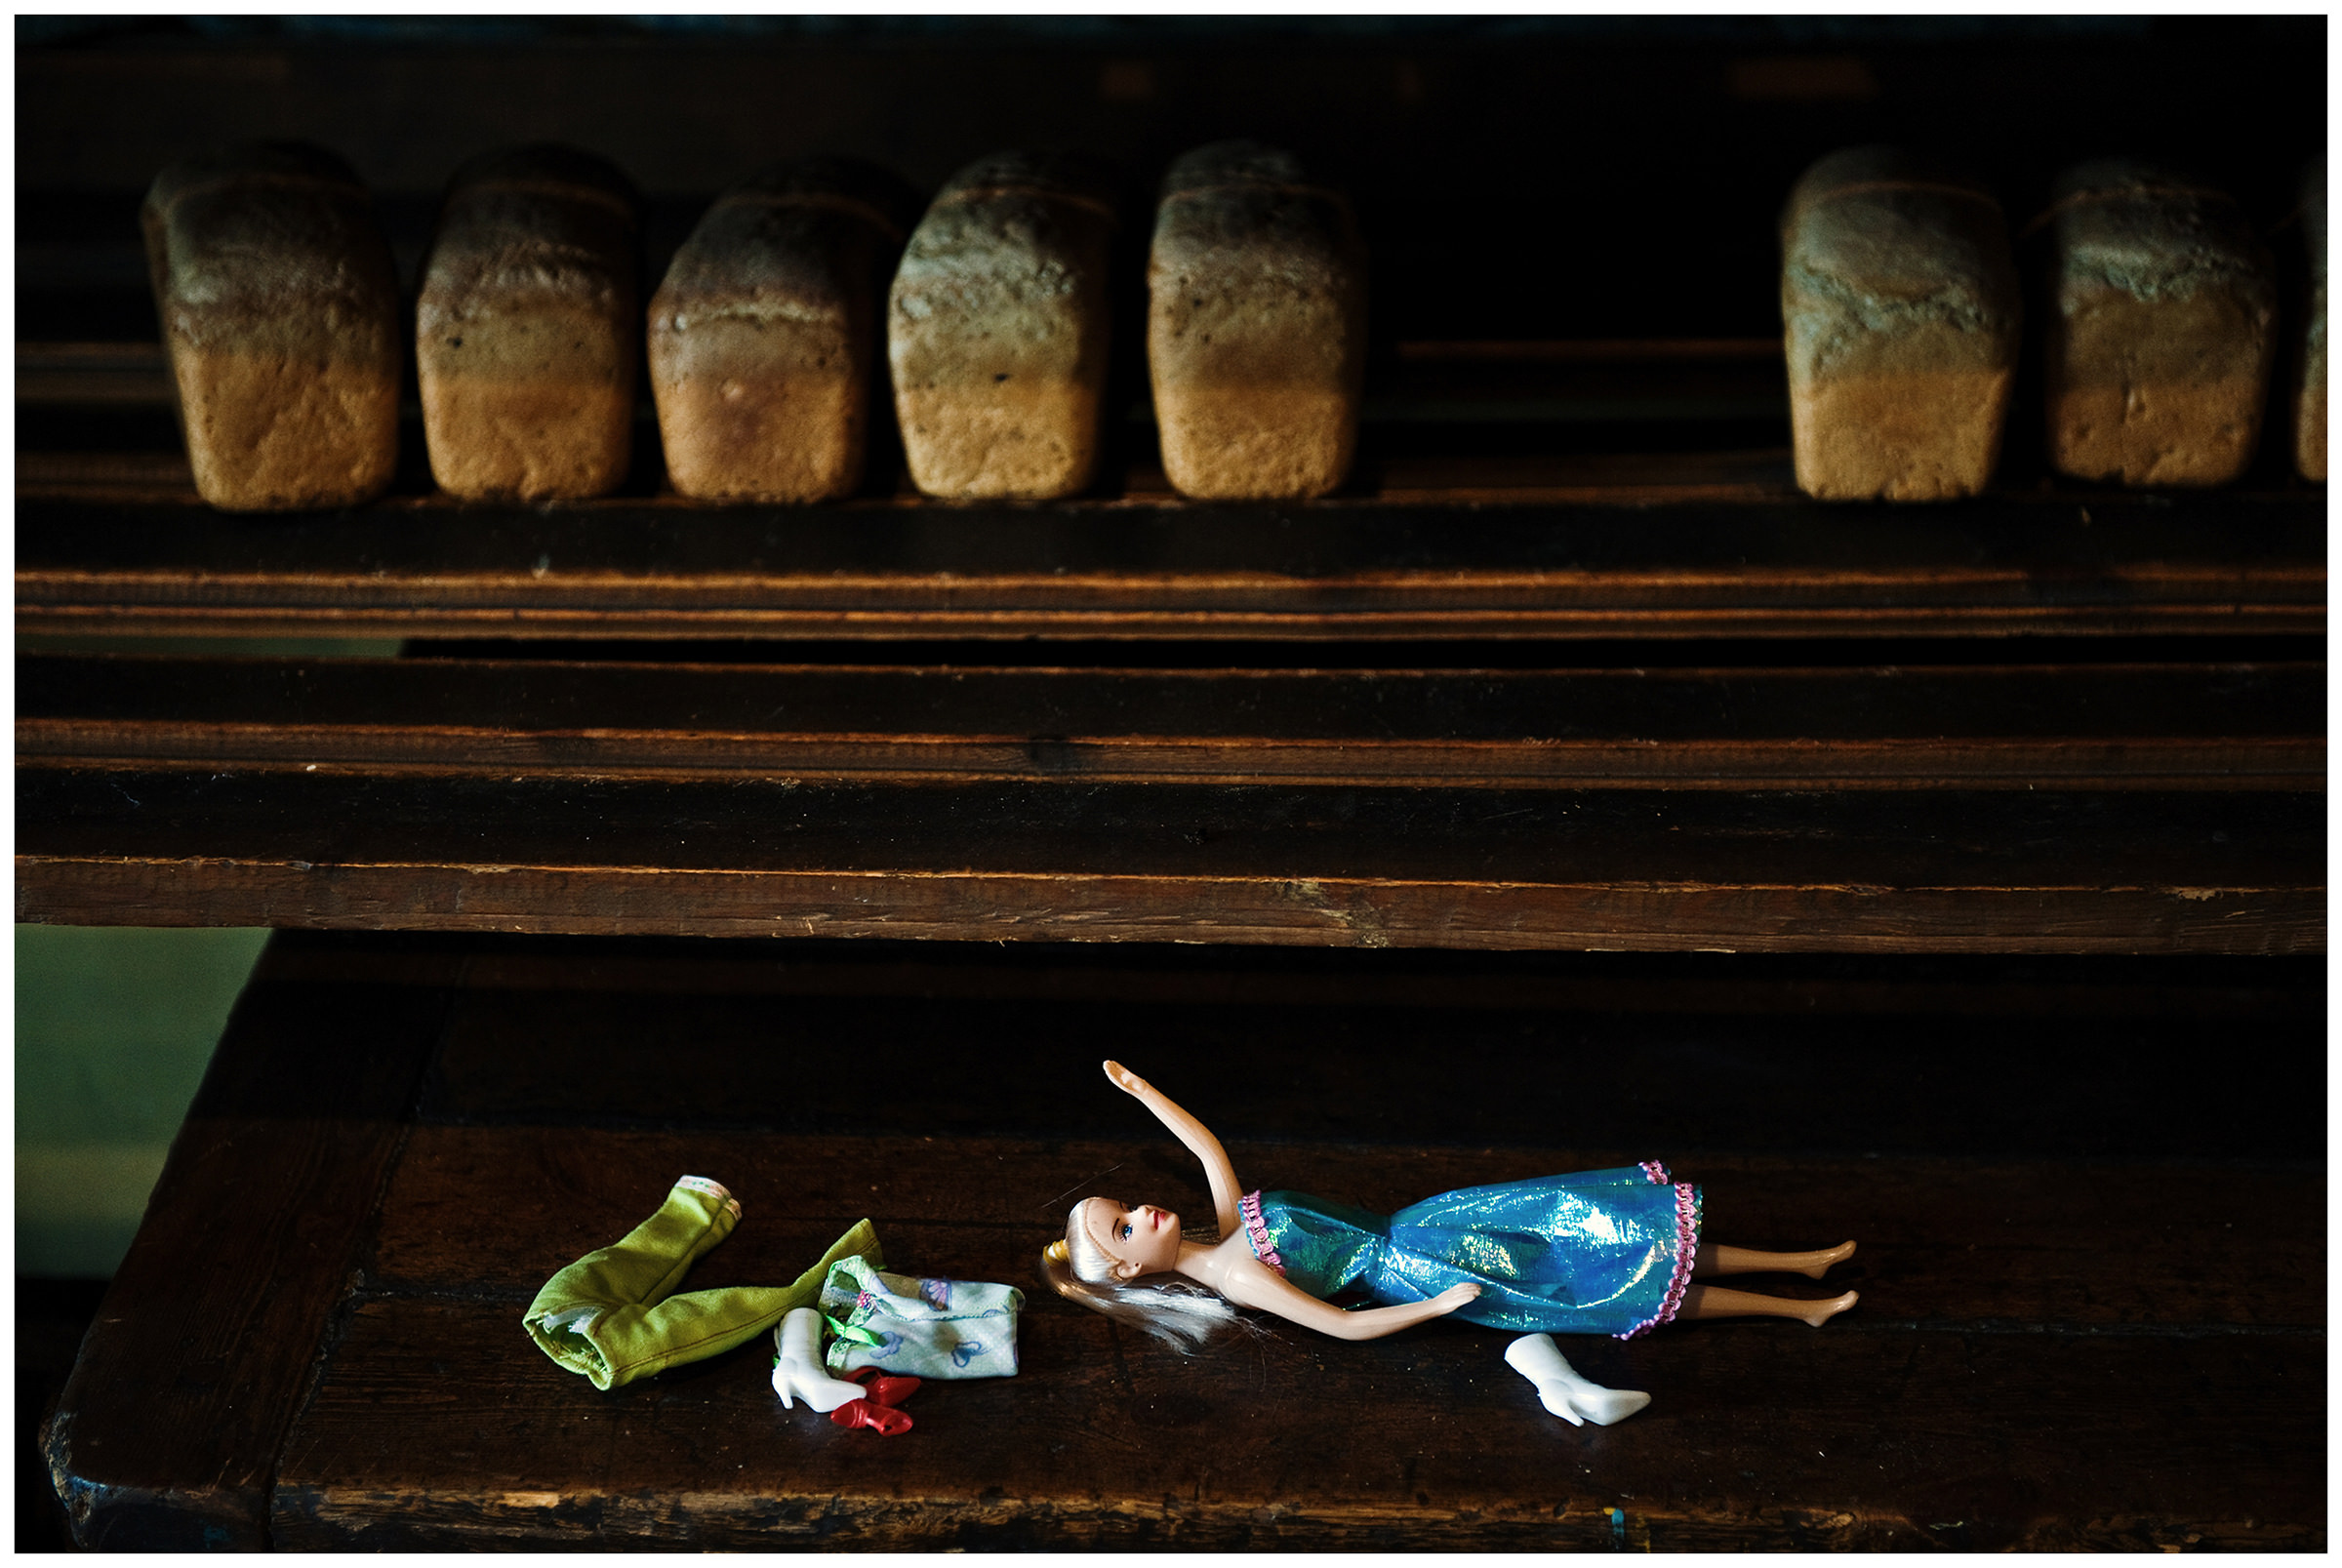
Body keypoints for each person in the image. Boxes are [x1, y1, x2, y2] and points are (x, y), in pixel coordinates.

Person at [1042, 1061, 1857, 1347]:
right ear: (1125, 1267)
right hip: (1424, 1269)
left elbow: (1205, 1147)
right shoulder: (1241, 1278)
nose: (1143, 1210)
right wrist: (1438, 1303)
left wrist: (1141, 1089)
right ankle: (1796, 1311)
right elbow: (1347, 1325)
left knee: (1619, 1237)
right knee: (1606, 1286)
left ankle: (1801, 1262)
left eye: (1128, 1203)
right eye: (1124, 1225)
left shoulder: (1230, 1231)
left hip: (1435, 1223)